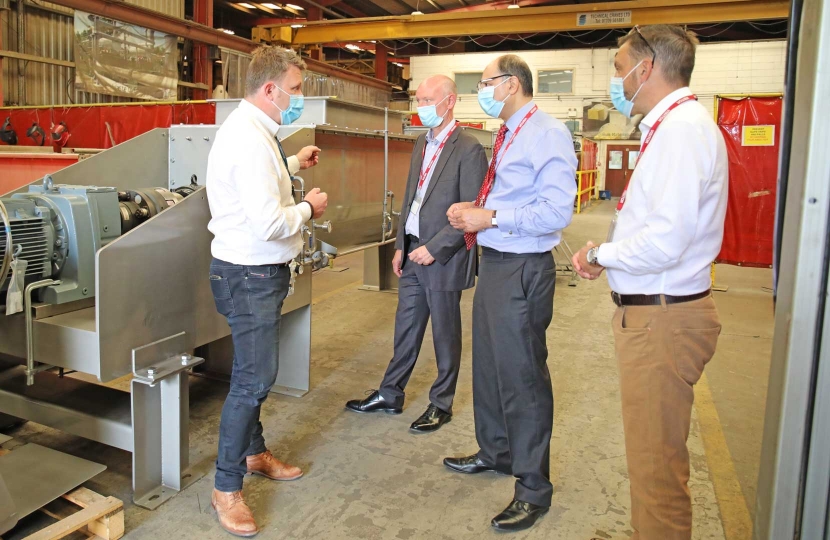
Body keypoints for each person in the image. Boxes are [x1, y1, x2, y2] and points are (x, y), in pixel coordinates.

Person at [572, 25, 727, 540]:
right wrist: (611, 260)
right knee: (650, 459)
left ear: (646, 69)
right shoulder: (673, 127)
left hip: (663, 319)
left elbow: (666, 240)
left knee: (657, 469)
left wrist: (600, 252)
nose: (616, 82)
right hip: (655, 310)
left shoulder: (682, 131)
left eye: (619, 69)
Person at [445, 54, 577, 532]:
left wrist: (493, 218)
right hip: (496, 262)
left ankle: (533, 488)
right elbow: (513, 195)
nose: (480, 90)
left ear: (512, 84)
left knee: (522, 377)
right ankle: (496, 451)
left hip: (523, 267)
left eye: (485, 83)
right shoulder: (508, 133)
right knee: (491, 368)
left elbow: (556, 212)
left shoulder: (548, 134)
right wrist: (476, 209)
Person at [205, 45, 328, 537]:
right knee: (255, 380)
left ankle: (254, 454)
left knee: (251, 371)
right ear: (270, 89)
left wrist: (292, 165)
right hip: (250, 276)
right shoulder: (249, 140)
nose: (299, 99)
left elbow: (256, 187)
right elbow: (270, 221)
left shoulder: (256, 132)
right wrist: (309, 209)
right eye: (295, 90)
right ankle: (225, 487)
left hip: (255, 274)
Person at [345, 75, 488, 433]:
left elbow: (471, 212)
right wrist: (400, 244)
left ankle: (442, 403)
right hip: (411, 252)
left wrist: (434, 248)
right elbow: (411, 198)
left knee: (444, 333)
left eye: (428, 99)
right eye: (418, 99)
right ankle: (390, 394)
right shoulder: (421, 142)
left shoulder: (468, 148)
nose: (421, 107)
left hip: (443, 256)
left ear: (450, 101)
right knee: (406, 327)